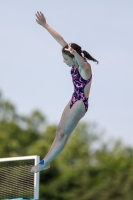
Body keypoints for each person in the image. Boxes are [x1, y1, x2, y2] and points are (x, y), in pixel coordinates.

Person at [31, 11, 98, 173]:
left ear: (74, 58)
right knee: (58, 131)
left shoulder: (85, 68)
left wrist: (75, 54)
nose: (64, 62)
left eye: (66, 59)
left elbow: (83, 65)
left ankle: (44, 163)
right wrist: (45, 25)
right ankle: (45, 162)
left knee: (64, 135)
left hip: (81, 103)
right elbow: (60, 40)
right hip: (74, 98)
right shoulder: (75, 61)